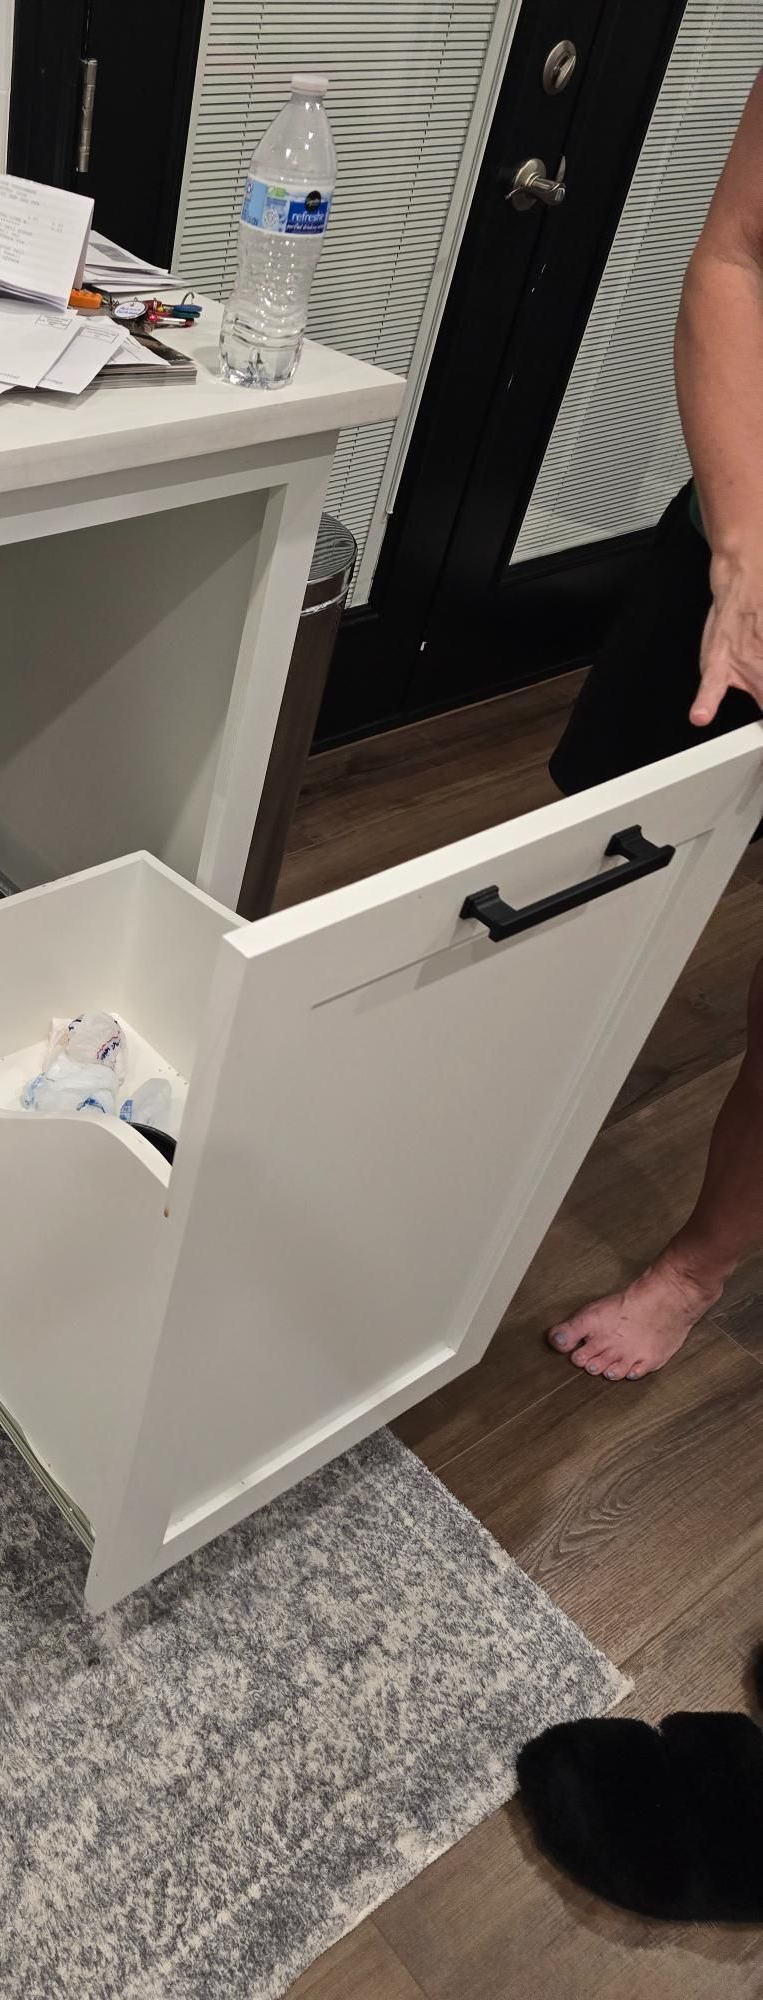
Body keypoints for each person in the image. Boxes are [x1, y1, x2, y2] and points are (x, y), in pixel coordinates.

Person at [545, 69, 763, 1382]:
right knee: (591, 845)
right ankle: (501, 1089)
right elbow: (738, 252)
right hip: (746, 537)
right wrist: (742, 547)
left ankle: (700, 1263)